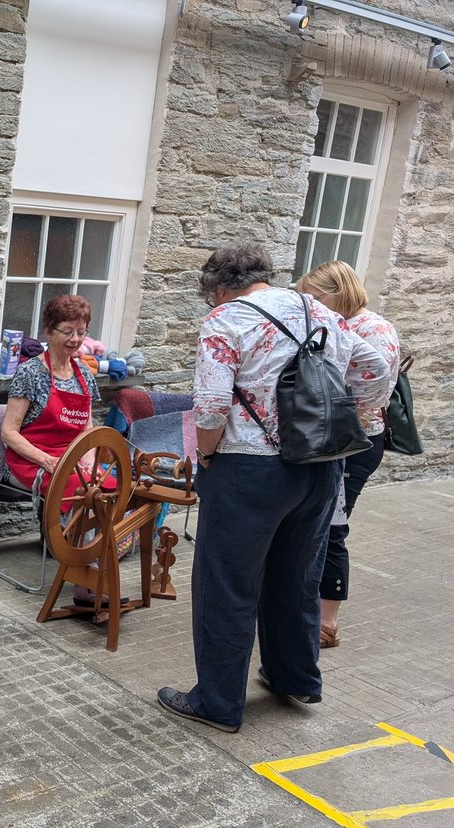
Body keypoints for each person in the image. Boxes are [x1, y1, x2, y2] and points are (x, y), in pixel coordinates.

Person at [157, 241, 390, 733]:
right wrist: (349, 413)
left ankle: (217, 702)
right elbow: (376, 371)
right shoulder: (319, 311)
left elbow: (212, 406)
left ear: (219, 287)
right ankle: (295, 678)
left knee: (227, 585)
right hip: (319, 465)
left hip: (249, 470)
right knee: (296, 577)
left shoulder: (226, 320)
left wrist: (206, 454)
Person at [298, 260, 400, 649]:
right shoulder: (337, 323)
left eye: (314, 296)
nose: (310, 304)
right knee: (316, 525)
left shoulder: (372, 329)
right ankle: (305, 606)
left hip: (355, 444)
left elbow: (374, 391)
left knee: (332, 529)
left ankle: (327, 622)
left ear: (337, 292)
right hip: (330, 439)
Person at [0, 294, 103, 497]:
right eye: (68, 332)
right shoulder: (30, 372)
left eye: (81, 332)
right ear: (48, 331)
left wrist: (90, 464)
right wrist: (47, 461)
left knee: (110, 487)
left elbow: (87, 430)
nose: (75, 339)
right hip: (30, 462)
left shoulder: (85, 375)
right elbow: (8, 432)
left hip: (70, 461)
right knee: (82, 493)